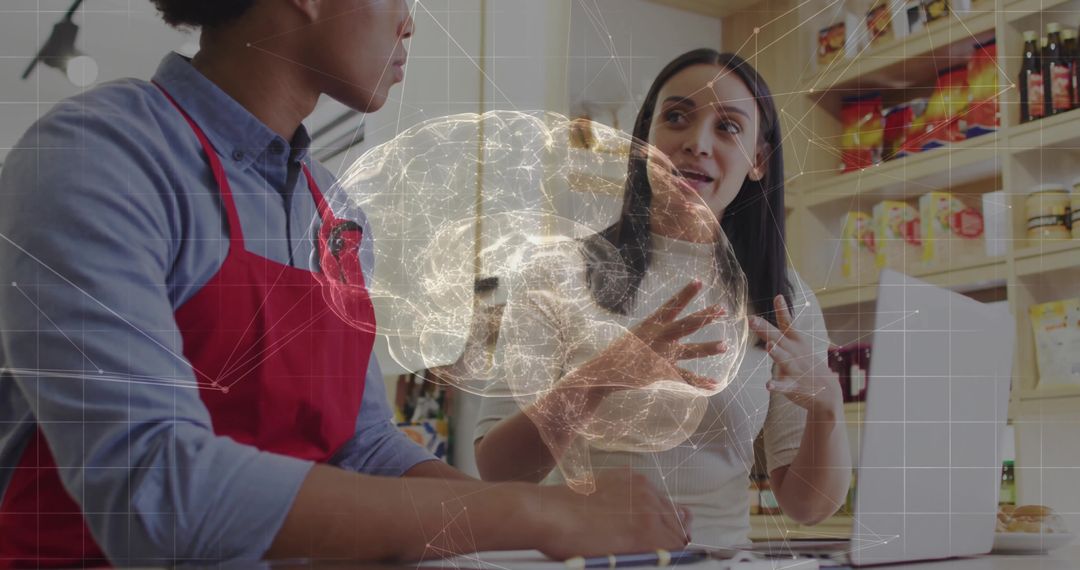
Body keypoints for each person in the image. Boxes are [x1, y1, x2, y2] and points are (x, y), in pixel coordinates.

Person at [0, 1, 692, 565]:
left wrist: (515, 542)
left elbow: (363, 447)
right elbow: (152, 495)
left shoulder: (336, 215)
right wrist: (536, 515)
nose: (411, 22)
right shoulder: (100, 156)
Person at [473, 49, 853, 547]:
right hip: (584, 559)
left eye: (728, 127)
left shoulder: (782, 295)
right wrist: (600, 379)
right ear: (643, 142)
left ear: (758, 160)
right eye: (676, 117)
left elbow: (807, 507)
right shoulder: (558, 271)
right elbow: (497, 471)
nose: (696, 143)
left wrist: (827, 405)